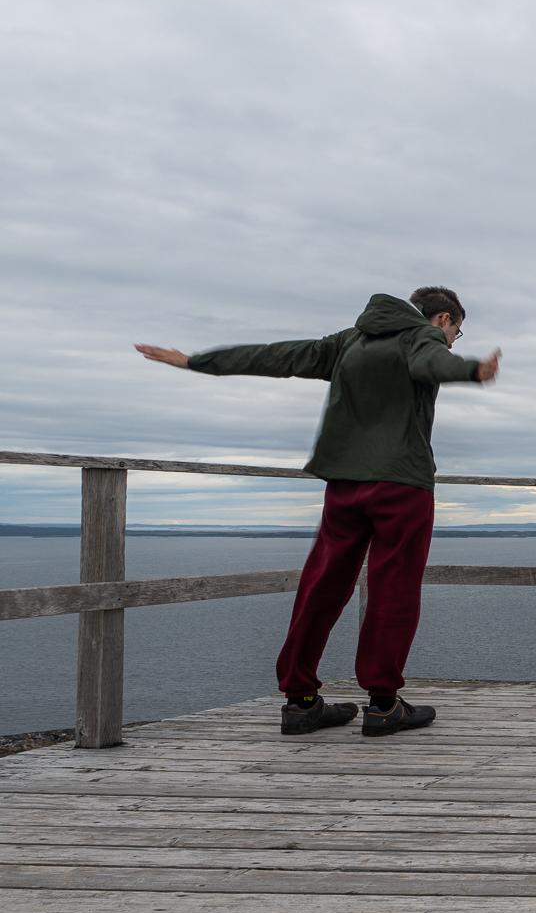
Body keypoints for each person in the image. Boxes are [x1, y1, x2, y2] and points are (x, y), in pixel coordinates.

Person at [136, 288, 501, 738]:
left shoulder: (349, 340)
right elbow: (433, 361)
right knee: (394, 590)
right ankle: (384, 705)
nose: (452, 340)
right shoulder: (422, 338)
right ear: (442, 318)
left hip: (344, 485)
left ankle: (299, 700)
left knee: (321, 586)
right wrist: (470, 369)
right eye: (456, 332)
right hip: (401, 485)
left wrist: (197, 361)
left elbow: (278, 356)